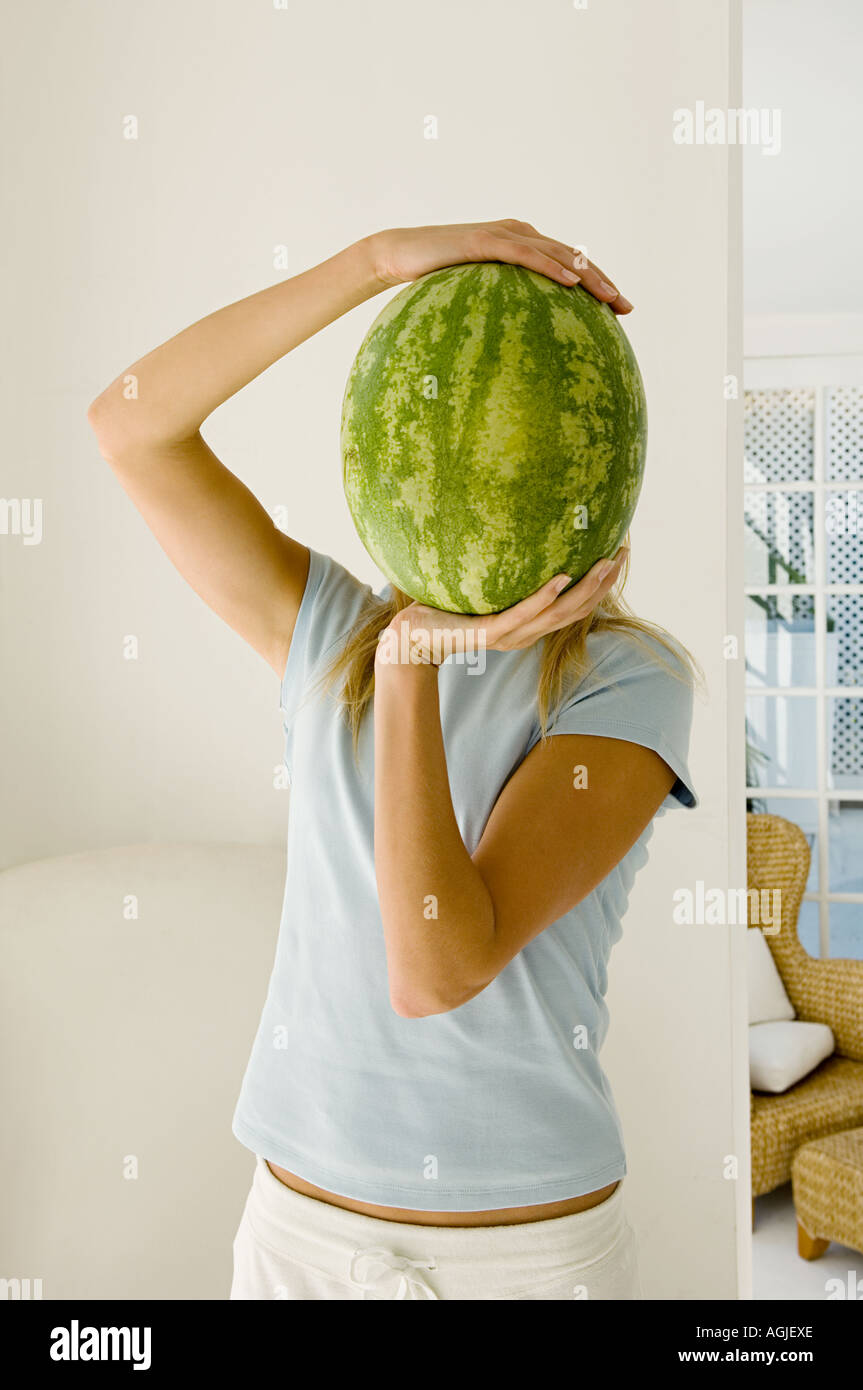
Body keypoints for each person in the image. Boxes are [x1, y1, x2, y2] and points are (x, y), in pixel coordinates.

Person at [87, 219, 698, 1301]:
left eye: (514, 443)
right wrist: (373, 263)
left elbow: (436, 968)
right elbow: (130, 425)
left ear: (592, 462)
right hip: (297, 1240)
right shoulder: (328, 630)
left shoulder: (626, 681)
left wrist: (412, 665)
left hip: (521, 1262)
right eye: (461, 436)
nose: (484, 462)